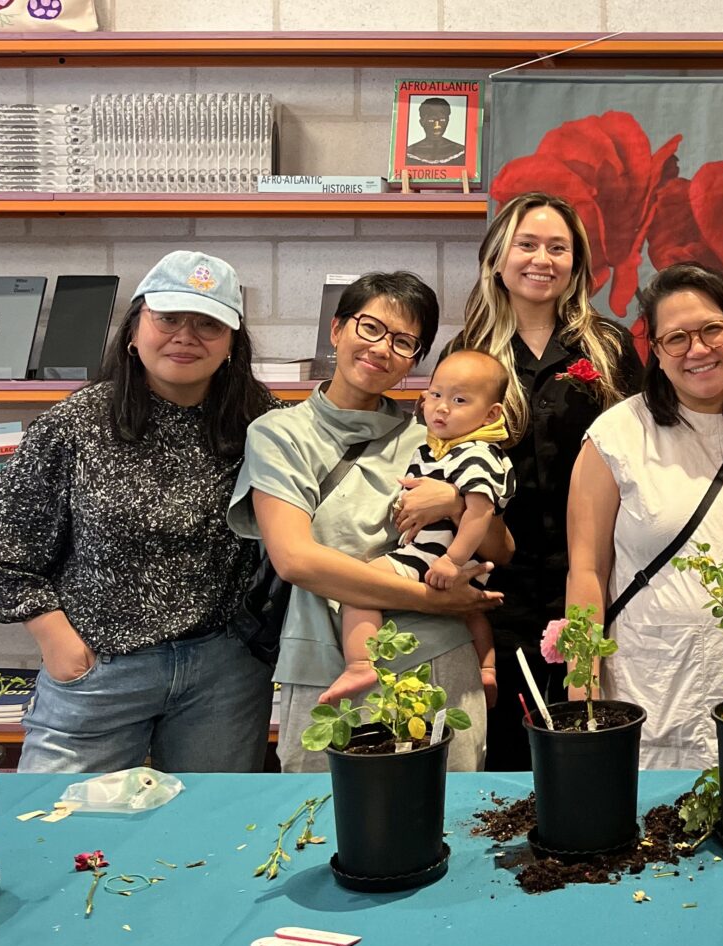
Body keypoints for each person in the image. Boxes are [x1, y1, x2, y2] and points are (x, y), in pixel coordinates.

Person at [0, 250, 278, 772]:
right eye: (168, 318)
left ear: (232, 343)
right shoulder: (75, 424)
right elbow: (0, 541)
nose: (186, 336)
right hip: (99, 672)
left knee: (211, 822)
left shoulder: (263, 424)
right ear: (134, 329)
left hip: (224, 676)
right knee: (57, 817)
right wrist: (55, 638)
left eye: (208, 324)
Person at [228, 271, 509, 773]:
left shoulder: (434, 438)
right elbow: (296, 561)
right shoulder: (279, 434)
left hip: (438, 656)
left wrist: (455, 501)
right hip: (328, 663)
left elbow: (501, 548)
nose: (382, 349)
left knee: (447, 809)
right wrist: (436, 598)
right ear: (337, 329)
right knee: (321, 811)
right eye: (371, 328)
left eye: (404, 342)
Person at [565, 262, 723, 769]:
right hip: (650, 687)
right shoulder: (615, 436)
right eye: (676, 338)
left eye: (712, 329)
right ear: (655, 350)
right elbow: (586, 569)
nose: (698, 349)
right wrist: (582, 688)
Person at [437, 190, 643, 770]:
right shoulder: (466, 354)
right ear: (498, 257)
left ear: (576, 263)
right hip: (499, 587)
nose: (542, 260)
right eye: (527, 244)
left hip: (600, 578)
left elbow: (640, 455)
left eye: (558, 248)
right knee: (508, 751)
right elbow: (442, 456)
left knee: (592, 744)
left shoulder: (608, 347)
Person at [320, 348, 515, 709]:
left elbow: (480, 512)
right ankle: (486, 669)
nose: (442, 408)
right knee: (471, 611)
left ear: (491, 414)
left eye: (459, 400)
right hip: (439, 553)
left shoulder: (477, 453)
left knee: (361, 586)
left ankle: (359, 663)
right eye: (436, 394)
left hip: (435, 554)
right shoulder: (437, 449)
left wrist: (452, 560)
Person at [405, 97, 464, 166]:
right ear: (421, 122)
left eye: (442, 120)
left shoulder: (460, 152)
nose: (437, 126)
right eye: (431, 120)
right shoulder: (409, 153)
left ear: (448, 121)